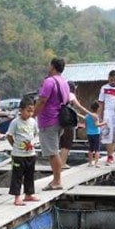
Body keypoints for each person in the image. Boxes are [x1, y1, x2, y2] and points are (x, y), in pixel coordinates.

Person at [34, 57, 69, 191]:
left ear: (53, 66)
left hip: (49, 121)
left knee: (53, 152)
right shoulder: (64, 82)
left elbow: (42, 101)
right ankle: (56, 179)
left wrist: (33, 115)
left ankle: (57, 181)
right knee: (54, 150)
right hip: (59, 120)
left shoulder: (49, 81)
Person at [7, 96, 40, 206]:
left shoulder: (33, 121)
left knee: (30, 175)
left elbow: (35, 133)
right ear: (21, 110)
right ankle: (17, 197)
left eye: (32, 111)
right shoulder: (15, 122)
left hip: (30, 154)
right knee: (17, 176)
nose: (30, 114)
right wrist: (14, 146)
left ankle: (29, 194)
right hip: (18, 155)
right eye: (28, 111)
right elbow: (9, 136)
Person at [60, 81, 91, 168]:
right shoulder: (71, 95)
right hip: (68, 122)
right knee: (67, 143)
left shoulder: (61, 95)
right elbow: (79, 106)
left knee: (62, 142)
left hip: (61, 121)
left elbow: (70, 110)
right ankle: (62, 163)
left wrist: (83, 116)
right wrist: (90, 114)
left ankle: (61, 162)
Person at [85, 101, 106, 167]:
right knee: (97, 149)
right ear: (97, 109)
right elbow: (97, 125)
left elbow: (86, 125)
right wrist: (104, 123)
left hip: (89, 133)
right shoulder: (96, 116)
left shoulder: (87, 116)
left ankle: (90, 163)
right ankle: (96, 163)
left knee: (90, 148)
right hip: (96, 134)